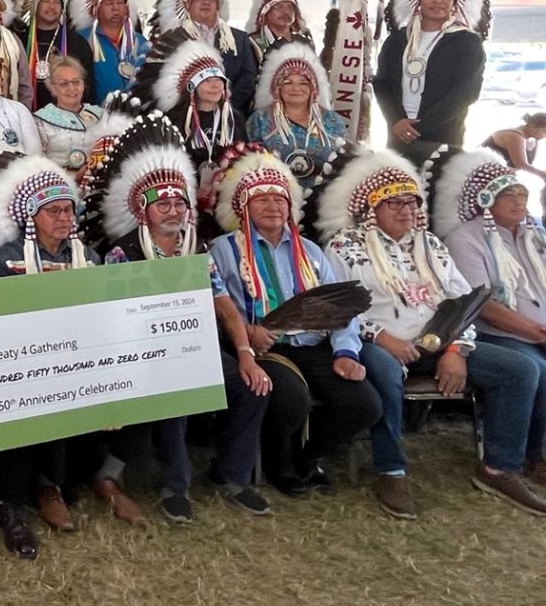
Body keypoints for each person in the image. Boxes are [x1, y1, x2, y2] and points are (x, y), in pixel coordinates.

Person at [306, 144, 546, 519]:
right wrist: (383, 338)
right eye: (394, 204)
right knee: (383, 372)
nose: (406, 210)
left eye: (411, 203)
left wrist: (456, 352)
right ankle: (392, 468)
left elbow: (461, 302)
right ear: (373, 209)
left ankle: (500, 467)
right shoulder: (345, 247)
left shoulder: (430, 244)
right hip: (381, 343)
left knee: (521, 370)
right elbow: (341, 309)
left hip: (439, 342)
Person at [85, 115, 273, 523]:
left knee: (252, 387)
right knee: (178, 387)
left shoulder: (196, 249)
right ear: (145, 210)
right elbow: (112, 319)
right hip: (143, 356)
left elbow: (223, 304)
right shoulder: (122, 253)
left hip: (195, 346)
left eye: (179, 203)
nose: (173, 210)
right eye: (163, 204)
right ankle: (176, 485)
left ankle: (232, 475)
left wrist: (244, 353)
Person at [206, 147, 379, 497]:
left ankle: (307, 457)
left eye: (279, 199)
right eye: (262, 199)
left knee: (365, 404)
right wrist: (248, 333)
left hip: (314, 345)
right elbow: (218, 304)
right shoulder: (224, 249)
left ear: (290, 207)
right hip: (265, 347)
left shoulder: (311, 252)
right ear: (243, 207)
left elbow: (339, 307)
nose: (272, 206)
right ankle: (278, 462)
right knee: (290, 399)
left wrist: (346, 352)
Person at [0, 152, 94, 555]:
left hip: (73, 356)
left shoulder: (86, 257)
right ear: (32, 216)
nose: (64, 219)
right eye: (53, 211)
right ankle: (13, 499)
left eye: (69, 210)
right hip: (20, 361)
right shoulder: (4, 258)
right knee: (23, 397)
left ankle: (64, 482)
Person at [428, 147, 546, 485]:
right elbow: (482, 304)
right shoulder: (467, 239)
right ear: (486, 199)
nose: (519, 200)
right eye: (509, 194)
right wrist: (535, 331)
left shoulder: (533, 234)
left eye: (523, 194)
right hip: (496, 334)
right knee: (535, 369)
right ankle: (515, 460)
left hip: (536, 331)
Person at [374, 0, 489, 161]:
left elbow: (466, 92)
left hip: (444, 137)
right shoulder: (398, 39)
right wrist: (396, 120)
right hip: (398, 134)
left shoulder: (467, 42)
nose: (438, 0)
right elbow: (382, 83)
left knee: (437, 193)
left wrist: (420, 128)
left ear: (454, 4)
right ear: (419, 1)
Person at [151, 0, 257, 116]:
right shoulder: (172, 40)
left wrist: (223, 105)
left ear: (218, 5)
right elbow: (163, 82)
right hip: (183, 118)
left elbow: (248, 77)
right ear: (187, 5)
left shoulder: (238, 39)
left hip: (230, 116)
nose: (206, 2)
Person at [132, 28, 243, 176]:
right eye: (207, 81)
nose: (215, 86)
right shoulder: (173, 120)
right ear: (192, 87)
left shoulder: (233, 118)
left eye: (219, 80)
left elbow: (243, 155)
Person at [246, 37, 348, 187]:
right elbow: (249, 164)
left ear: (313, 88)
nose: (296, 88)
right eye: (288, 82)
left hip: (324, 198)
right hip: (276, 198)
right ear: (277, 88)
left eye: (303, 83)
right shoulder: (260, 120)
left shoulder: (332, 120)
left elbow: (344, 163)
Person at [8, 0, 96, 109]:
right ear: (34, 5)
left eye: (57, 2)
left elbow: (87, 87)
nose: (52, 6)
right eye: (46, 1)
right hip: (26, 114)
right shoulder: (18, 41)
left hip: (67, 118)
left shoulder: (78, 43)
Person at [67, 0, 150, 102]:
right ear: (96, 9)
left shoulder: (141, 42)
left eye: (120, 2)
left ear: (126, 8)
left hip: (136, 116)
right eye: (109, 3)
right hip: (95, 116)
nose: (115, 8)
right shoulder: (81, 40)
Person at [33, 56, 102, 175]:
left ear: (83, 85)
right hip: (59, 186)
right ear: (53, 88)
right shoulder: (40, 121)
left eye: (76, 82)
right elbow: (37, 164)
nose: (71, 88)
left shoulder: (100, 115)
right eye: (64, 84)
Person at [245, 0, 312, 59]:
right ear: (265, 14)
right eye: (279, 6)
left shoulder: (304, 42)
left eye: (290, 7)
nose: (285, 11)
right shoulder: (251, 44)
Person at [484, 113, 546, 185]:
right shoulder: (515, 136)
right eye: (545, 132)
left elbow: (527, 167)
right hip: (485, 174)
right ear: (532, 126)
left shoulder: (532, 139)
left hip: (503, 175)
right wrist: (543, 174)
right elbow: (521, 165)